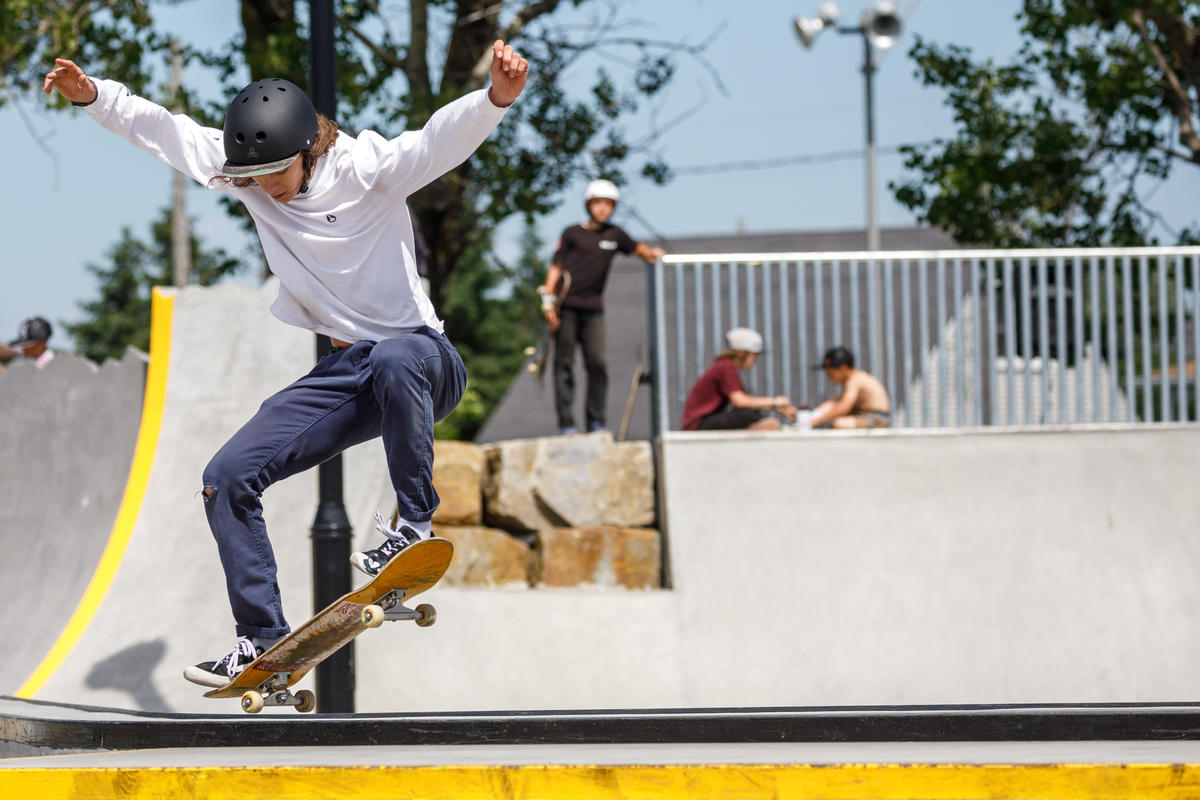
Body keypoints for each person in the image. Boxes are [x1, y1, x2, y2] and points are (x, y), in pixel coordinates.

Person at [44, 40, 529, 687]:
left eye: (277, 173)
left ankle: (413, 523)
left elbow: (436, 142)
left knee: (392, 358)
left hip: (423, 361)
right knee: (227, 476)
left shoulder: (365, 168)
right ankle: (264, 643)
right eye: (254, 177)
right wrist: (93, 95)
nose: (264, 189)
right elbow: (163, 130)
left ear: (308, 150)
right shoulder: (240, 167)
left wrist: (496, 97)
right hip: (345, 376)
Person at [539, 180, 666, 435]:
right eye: (597, 203)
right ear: (589, 205)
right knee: (564, 365)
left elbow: (637, 249)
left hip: (594, 310)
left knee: (597, 364)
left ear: (613, 207)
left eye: (607, 204)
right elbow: (556, 267)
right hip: (566, 308)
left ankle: (596, 422)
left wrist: (652, 253)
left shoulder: (614, 235)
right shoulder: (572, 232)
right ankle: (567, 424)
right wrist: (548, 302)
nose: (602, 209)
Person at [681, 327, 798, 431]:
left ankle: (752, 428)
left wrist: (779, 408)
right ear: (743, 354)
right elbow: (740, 401)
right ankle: (752, 429)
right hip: (697, 425)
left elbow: (747, 401)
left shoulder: (724, 366)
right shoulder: (725, 366)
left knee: (753, 411)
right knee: (748, 414)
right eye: (754, 356)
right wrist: (775, 401)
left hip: (706, 421)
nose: (754, 362)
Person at [810, 346, 891, 429]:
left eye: (830, 373)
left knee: (840, 423)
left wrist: (819, 421)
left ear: (843, 368)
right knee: (833, 402)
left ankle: (810, 421)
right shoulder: (855, 378)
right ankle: (809, 418)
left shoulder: (854, 380)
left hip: (877, 418)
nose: (829, 377)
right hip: (866, 414)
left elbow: (844, 406)